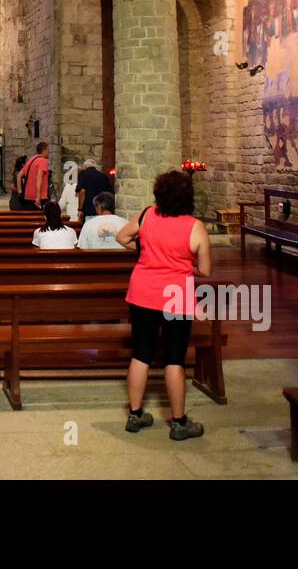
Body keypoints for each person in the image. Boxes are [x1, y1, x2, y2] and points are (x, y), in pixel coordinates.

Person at [115, 170, 213, 441]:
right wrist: (184, 261)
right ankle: (179, 422)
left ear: (159, 194)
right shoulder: (195, 227)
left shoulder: (147, 215)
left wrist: (143, 250)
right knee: (174, 359)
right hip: (177, 295)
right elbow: (205, 270)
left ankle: (135, 416)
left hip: (143, 290)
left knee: (141, 353)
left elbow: (121, 237)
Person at [18, 141, 51, 209]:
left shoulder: (30, 161)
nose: (49, 152)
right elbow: (39, 178)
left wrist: (20, 192)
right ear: (44, 150)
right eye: (48, 150)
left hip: (27, 197)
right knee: (41, 218)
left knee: (30, 218)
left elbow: (19, 175)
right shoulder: (43, 161)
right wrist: (38, 197)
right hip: (40, 198)